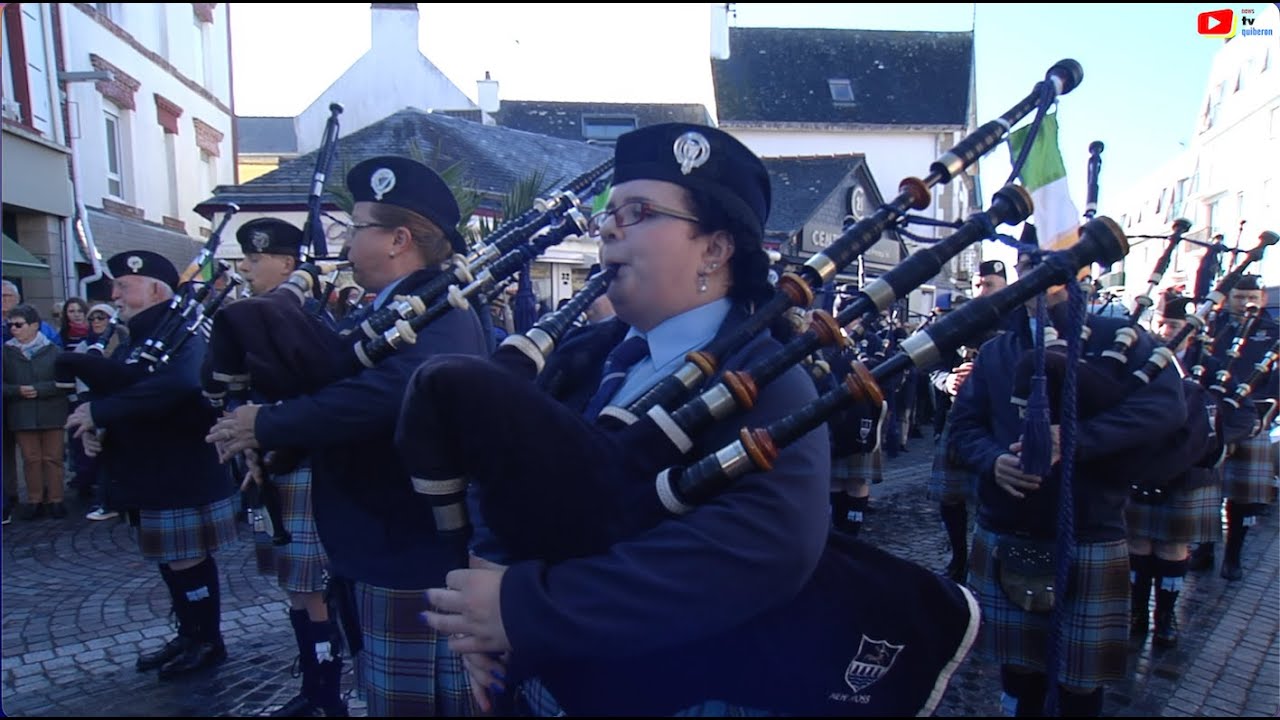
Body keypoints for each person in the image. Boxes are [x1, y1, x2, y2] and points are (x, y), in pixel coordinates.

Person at [419, 123, 831, 715]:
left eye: (639, 212)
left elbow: (756, 550)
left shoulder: (768, 382)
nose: (608, 226)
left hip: (676, 688)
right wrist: (490, 576)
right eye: (610, 212)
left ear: (715, 249)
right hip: (550, 680)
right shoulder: (582, 357)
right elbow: (507, 466)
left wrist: (524, 607)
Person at [206, 156, 489, 716]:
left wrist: (267, 423)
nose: (345, 241)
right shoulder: (388, 309)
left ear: (399, 240)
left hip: (411, 550)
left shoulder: (442, 311)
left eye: (357, 228)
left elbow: (383, 395)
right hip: (379, 544)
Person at [948, 244, 1188, 717]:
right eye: (1026, 267)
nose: (1033, 276)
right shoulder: (998, 350)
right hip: (1007, 527)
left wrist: (1073, 440)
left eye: (1046, 266)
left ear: (1078, 271)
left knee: (1080, 685)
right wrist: (994, 460)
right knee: (1019, 674)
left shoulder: (1120, 337)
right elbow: (964, 427)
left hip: (1089, 529)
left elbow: (1165, 409)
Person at [64, 250, 238, 680]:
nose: (115, 294)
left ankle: (206, 640)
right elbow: (132, 385)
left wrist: (100, 415)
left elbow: (178, 385)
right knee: (172, 559)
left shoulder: (184, 329)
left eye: (124, 285)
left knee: (186, 558)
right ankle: (190, 633)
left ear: (156, 288)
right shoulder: (143, 332)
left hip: (181, 465)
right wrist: (99, 420)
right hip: (151, 464)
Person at [221, 217, 350, 717]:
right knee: (294, 586)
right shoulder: (254, 322)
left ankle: (327, 695)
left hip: (304, 468)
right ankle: (312, 687)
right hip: (273, 472)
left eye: (256, 261)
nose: (246, 269)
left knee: (311, 586)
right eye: (246, 260)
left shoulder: (311, 322)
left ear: (289, 264)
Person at [1124, 296, 1230, 647]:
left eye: (1178, 326)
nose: (1172, 332)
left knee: (1172, 547)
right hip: (1144, 466)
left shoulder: (1211, 366)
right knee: (1139, 544)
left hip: (1189, 472)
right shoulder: (1141, 362)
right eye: (1167, 325)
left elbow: (1227, 415)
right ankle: (1137, 611)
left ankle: (1165, 617)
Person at [928, 259, 1009, 582]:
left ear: (1004, 285)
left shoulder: (1017, 322)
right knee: (951, 495)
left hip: (998, 422)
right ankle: (959, 556)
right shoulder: (958, 322)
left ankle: (985, 558)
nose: (981, 291)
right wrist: (947, 381)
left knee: (992, 494)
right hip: (959, 417)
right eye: (978, 284)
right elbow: (932, 366)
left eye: (989, 284)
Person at [1205, 274, 1278, 580]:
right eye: (1238, 297)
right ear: (1229, 298)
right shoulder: (1214, 328)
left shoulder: (1274, 332)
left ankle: (1233, 556)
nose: (1245, 303)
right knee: (1207, 489)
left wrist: (1269, 412)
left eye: (1251, 298)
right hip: (1213, 417)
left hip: (1253, 417)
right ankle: (1204, 550)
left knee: (1244, 495)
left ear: (1261, 298)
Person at [3, 304, 71, 519]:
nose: (14, 329)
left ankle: (56, 499)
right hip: (22, 415)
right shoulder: (5, 352)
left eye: (18, 324)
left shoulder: (53, 350)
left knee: (53, 458)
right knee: (30, 459)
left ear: (34, 326)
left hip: (52, 413)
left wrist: (39, 390)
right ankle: (35, 500)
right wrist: (17, 391)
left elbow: (66, 383)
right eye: (10, 325)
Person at [77, 303, 130, 521]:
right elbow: (81, 378)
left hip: (121, 405)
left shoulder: (125, 344)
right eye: (92, 319)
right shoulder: (85, 346)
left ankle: (123, 500)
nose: (97, 322)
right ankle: (107, 501)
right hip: (96, 402)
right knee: (104, 454)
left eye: (102, 318)